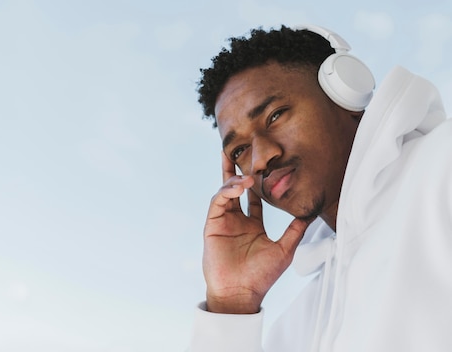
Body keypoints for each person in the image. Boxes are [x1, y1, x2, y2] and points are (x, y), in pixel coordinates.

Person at [188, 24, 452, 352]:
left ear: (346, 93)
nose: (259, 160)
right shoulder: (301, 323)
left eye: (275, 116)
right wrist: (232, 306)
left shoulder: (443, 167)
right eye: (239, 150)